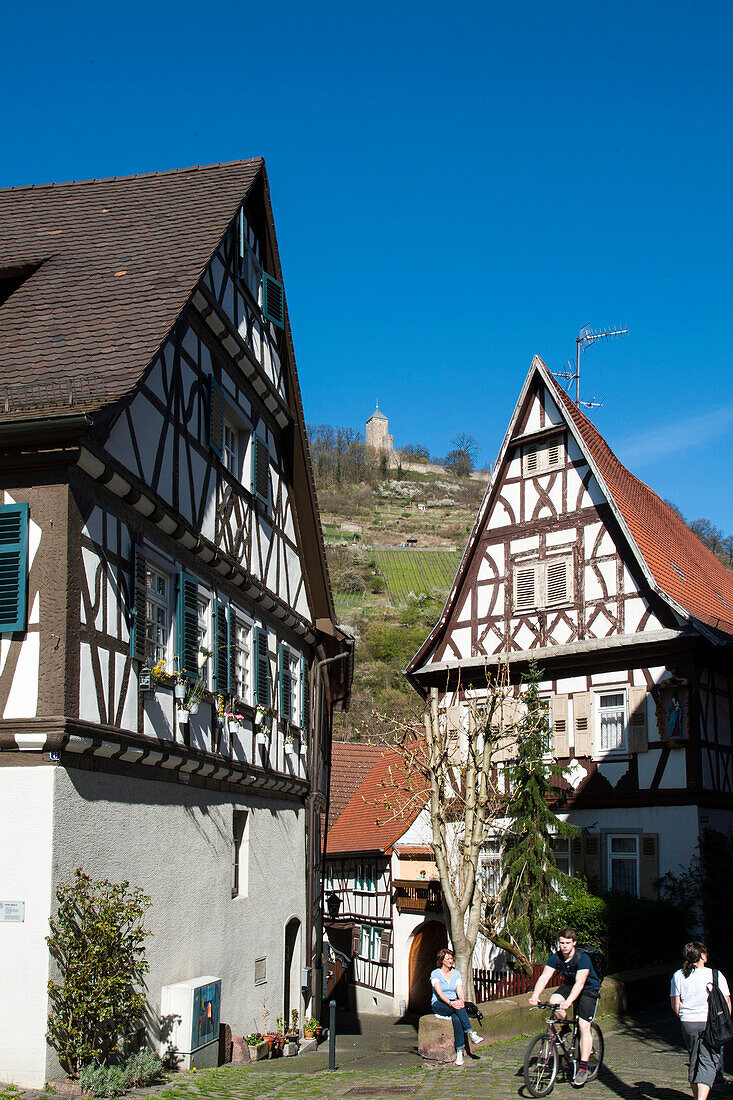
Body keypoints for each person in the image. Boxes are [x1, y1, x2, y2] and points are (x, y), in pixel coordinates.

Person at [529, 926, 602, 1087]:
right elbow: (544, 976)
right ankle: (565, 1028)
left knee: (583, 1026)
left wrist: (569, 1001)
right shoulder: (556, 957)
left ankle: (583, 1068)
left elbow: (580, 983)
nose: (564, 946)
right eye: (561, 943)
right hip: (569, 985)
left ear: (574, 943)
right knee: (554, 1001)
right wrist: (535, 995)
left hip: (589, 989)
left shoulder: (583, 958)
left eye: (567, 943)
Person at [671, 941, 731, 1100]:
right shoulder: (715, 975)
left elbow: (675, 1003)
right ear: (703, 956)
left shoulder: (678, 975)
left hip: (688, 1022)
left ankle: (697, 1095)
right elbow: (727, 1002)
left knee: (694, 1058)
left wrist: (684, 1016)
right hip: (709, 1022)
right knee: (709, 1060)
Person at [430, 947, 484, 1066]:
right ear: (442, 960)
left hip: (454, 1004)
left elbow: (459, 990)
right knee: (456, 1009)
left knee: (456, 1018)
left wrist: (461, 1001)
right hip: (440, 1004)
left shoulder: (456, 973)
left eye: (451, 958)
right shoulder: (435, 974)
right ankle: (471, 1033)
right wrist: (451, 1003)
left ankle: (459, 1051)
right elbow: (439, 993)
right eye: (448, 958)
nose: (450, 961)